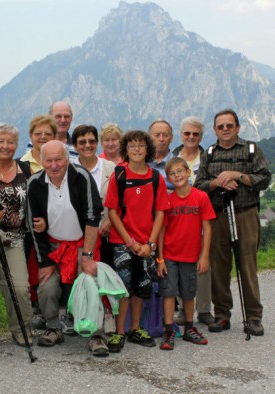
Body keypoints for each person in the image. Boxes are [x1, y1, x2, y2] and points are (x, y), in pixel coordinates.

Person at [195, 109, 271, 336]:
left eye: (229, 125)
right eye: (221, 126)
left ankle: (254, 317)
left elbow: (265, 178)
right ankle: (222, 315)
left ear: (237, 127)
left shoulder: (250, 149)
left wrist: (237, 176)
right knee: (219, 266)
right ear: (215, 130)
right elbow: (199, 185)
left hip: (245, 213)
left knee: (247, 265)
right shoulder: (209, 153)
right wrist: (218, 183)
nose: (225, 129)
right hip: (218, 214)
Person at [27, 140, 105, 356]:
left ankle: (96, 334)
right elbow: (34, 226)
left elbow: (93, 216)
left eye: (59, 159)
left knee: (89, 283)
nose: (54, 165)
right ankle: (53, 327)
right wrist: (45, 262)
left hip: (82, 243)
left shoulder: (81, 176)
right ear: (41, 161)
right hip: (53, 247)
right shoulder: (35, 183)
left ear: (67, 158)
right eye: (49, 160)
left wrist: (87, 256)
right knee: (47, 287)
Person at [105, 130, 169, 354]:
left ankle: (134, 329)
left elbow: (160, 213)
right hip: (123, 242)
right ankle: (119, 332)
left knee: (142, 287)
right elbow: (112, 212)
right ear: (126, 150)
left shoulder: (155, 178)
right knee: (123, 288)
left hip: (146, 244)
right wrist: (131, 243)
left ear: (148, 149)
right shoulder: (119, 175)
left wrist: (150, 245)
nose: (137, 150)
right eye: (132, 146)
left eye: (141, 146)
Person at [0, 123, 33, 346]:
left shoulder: (26, 169)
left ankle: (22, 328)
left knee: (20, 287)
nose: (5, 146)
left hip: (16, 240)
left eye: (10, 141)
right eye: (0, 141)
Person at [157, 157, 215, 350]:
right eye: (172, 174)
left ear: (188, 172)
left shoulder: (201, 197)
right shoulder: (167, 200)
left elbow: (207, 228)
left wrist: (204, 256)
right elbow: (162, 231)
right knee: (168, 293)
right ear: (168, 178)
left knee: (189, 293)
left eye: (180, 171)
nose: (177, 176)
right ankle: (169, 330)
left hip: (191, 256)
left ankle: (190, 328)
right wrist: (160, 258)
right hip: (170, 256)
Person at [172, 116, 213, 326]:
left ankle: (204, 309)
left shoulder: (208, 158)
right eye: (187, 133)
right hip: (178, 218)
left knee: (203, 264)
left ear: (201, 136)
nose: (191, 137)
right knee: (180, 264)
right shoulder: (173, 156)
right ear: (181, 135)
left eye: (195, 134)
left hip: (201, 213)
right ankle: (182, 308)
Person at [20, 114, 57, 329]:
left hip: (53, 226)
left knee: (48, 268)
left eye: (48, 134)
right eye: (37, 133)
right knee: (31, 268)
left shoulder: (58, 159)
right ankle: (35, 307)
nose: (42, 137)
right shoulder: (22, 163)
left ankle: (49, 310)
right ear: (30, 136)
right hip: (27, 227)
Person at [72, 125, 115, 264]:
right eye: (82, 142)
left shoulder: (111, 168)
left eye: (92, 141)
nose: (87, 145)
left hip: (107, 234)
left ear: (97, 143)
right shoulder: (68, 170)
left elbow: (121, 200)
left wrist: (110, 222)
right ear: (74, 146)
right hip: (78, 236)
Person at [148, 119, 174, 190]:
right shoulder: (140, 162)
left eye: (165, 135)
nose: (161, 139)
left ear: (171, 138)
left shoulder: (178, 164)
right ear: (149, 138)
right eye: (157, 135)